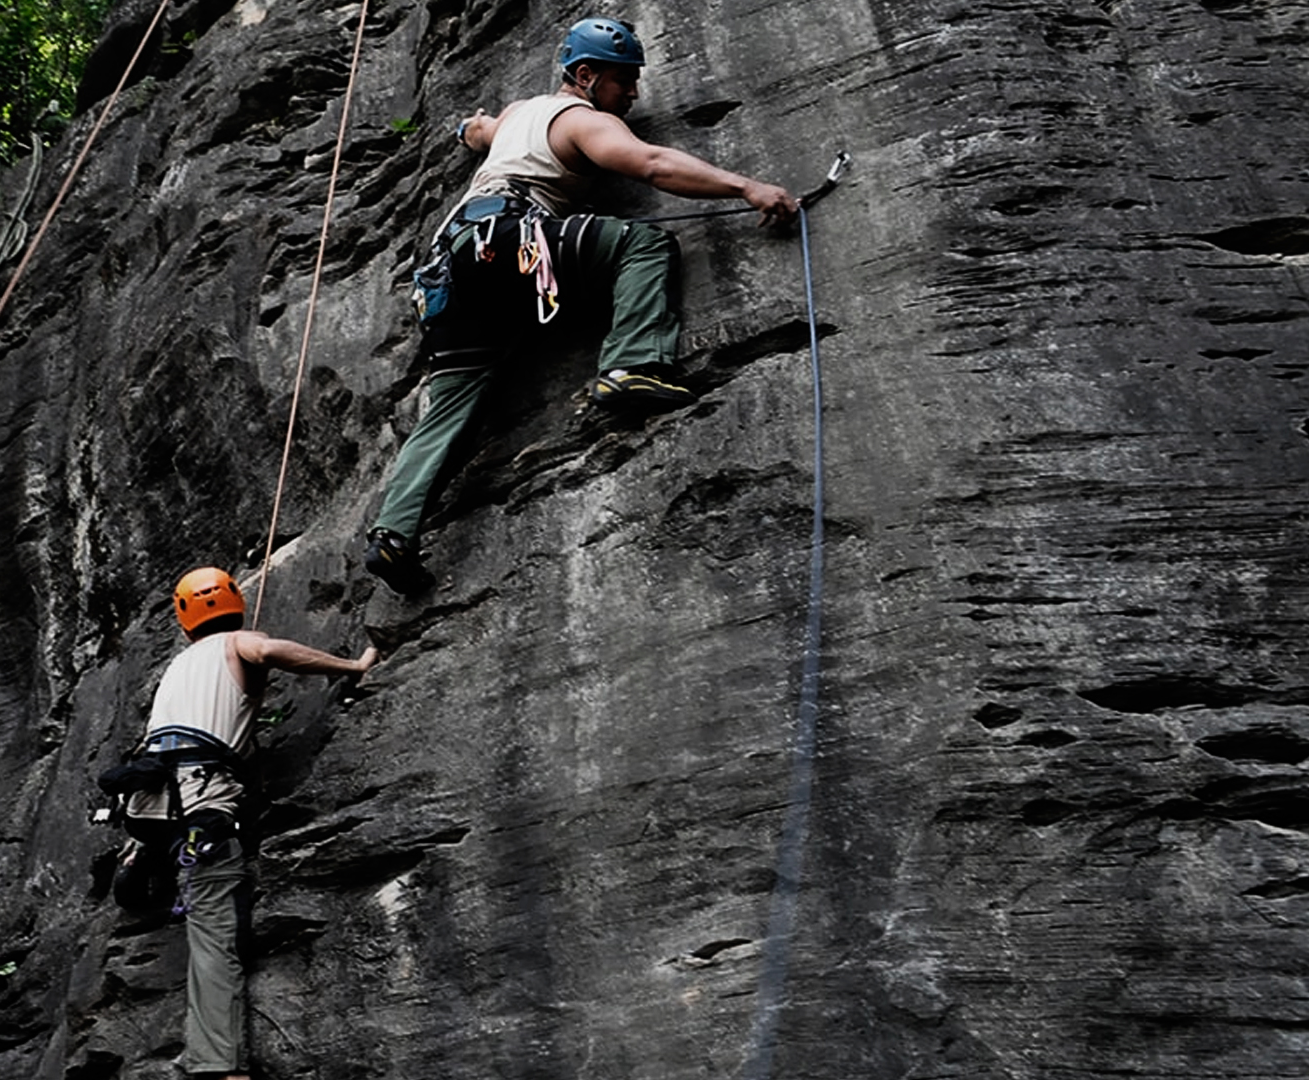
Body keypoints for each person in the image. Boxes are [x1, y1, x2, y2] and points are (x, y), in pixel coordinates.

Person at [363, 16, 801, 595]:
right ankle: (633, 365)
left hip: (449, 270)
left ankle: (393, 534)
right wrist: (746, 187)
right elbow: (651, 165)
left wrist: (469, 128)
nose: (634, 93)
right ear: (587, 75)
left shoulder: (520, 114)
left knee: (454, 401)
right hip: (509, 241)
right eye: (624, 81)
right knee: (642, 242)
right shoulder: (580, 120)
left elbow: (480, 130)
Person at [109, 567, 378, 1080]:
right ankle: (219, 1066)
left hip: (150, 807)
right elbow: (273, 653)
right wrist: (350, 666)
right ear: (234, 604)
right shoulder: (240, 640)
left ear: (186, 620)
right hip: (202, 813)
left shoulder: (176, 668)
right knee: (213, 936)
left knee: (195, 801)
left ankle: (139, 852)